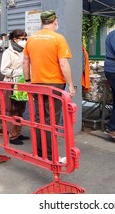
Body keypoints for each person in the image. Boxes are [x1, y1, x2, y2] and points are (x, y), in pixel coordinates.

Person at [23, 10, 76, 161]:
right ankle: (51, 155)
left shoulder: (31, 39)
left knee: (39, 119)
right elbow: (64, 63)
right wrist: (71, 85)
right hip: (55, 84)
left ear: (42, 22)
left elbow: (25, 62)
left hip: (36, 83)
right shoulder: (58, 39)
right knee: (51, 119)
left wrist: (28, 81)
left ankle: (41, 152)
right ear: (55, 22)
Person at [0, 29, 29, 145]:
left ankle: (18, 132)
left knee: (21, 109)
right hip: (11, 84)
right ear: (15, 40)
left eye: (25, 38)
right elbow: (3, 69)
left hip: (22, 84)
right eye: (22, 39)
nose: (25, 41)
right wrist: (20, 72)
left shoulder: (24, 51)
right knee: (13, 110)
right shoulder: (8, 53)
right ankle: (13, 135)